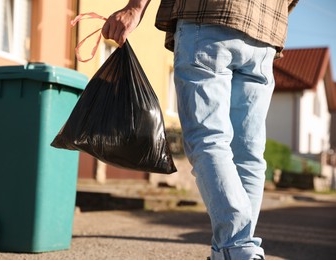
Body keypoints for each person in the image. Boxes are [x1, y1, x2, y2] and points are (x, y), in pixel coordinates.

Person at [102, 0, 299, 259]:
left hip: (207, 16)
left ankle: (236, 247)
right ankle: (230, 250)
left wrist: (134, 8)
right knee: (248, 154)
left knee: (209, 140)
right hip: (265, 34)